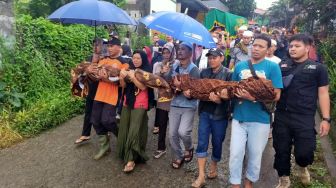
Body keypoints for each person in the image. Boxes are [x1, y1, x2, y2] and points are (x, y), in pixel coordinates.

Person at [273, 34, 330, 188]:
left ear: (307, 48)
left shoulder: (318, 68)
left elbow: (323, 93)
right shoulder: (281, 66)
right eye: (291, 46)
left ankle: (303, 167)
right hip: (282, 115)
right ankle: (284, 178)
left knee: (304, 152)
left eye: (297, 46)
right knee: (281, 149)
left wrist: (326, 119)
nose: (292, 49)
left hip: (304, 116)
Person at [229, 34, 283, 188]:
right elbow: (233, 88)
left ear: (268, 50)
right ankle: (234, 184)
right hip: (239, 117)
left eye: (261, 46)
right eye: (255, 45)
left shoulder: (272, 67)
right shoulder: (240, 66)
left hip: (260, 119)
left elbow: (277, 95)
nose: (256, 48)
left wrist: (252, 97)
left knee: (255, 155)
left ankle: (248, 182)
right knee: (235, 154)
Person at [191, 48, 231, 188]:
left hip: (220, 115)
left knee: (217, 142)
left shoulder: (228, 74)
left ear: (221, 58)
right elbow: (198, 90)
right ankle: (201, 175)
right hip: (204, 113)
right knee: (202, 141)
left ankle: (214, 165)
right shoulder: (204, 72)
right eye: (210, 57)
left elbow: (230, 96)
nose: (211, 60)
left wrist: (220, 100)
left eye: (214, 57)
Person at [90, 38, 129, 160]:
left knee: (108, 121)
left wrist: (106, 78)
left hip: (113, 96)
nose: (109, 48)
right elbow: (95, 76)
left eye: (112, 46)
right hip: (99, 95)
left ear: (119, 47)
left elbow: (122, 83)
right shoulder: (103, 59)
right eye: (108, 46)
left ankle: (122, 138)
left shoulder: (124, 62)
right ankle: (105, 146)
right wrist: (93, 71)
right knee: (95, 120)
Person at [117, 50, 153, 173]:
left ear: (143, 59)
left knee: (134, 130)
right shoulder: (129, 69)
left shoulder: (146, 72)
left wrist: (132, 77)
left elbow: (143, 87)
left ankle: (131, 159)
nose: (135, 60)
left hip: (141, 103)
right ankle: (126, 154)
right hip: (128, 101)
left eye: (138, 58)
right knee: (125, 128)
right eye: (134, 58)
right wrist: (122, 78)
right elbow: (123, 87)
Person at [165, 42, 200, 169]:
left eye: (183, 49)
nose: (179, 51)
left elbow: (196, 92)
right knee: (172, 134)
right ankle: (178, 156)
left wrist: (181, 87)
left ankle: (189, 147)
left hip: (188, 106)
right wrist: (167, 71)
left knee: (183, 132)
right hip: (174, 104)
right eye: (178, 49)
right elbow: (167, 81)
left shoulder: (194, 69)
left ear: (190, 53)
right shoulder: (174, 65)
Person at [74, 38, 103, 144]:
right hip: (91, 88)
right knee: (88, 112)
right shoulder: (88, 58)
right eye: (94, 45)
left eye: (98, 45)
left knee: (100, 113)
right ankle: (85, 134)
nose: (96, 47)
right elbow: (81, 72)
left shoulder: (105, 59)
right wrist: (86, 71)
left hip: (102, 89)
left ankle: (104, 134)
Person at [152, 44, 178, 159]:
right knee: (162, 123)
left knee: (174, 126)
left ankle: (177, 149)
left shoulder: (177, 64)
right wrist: (162, 72)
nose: (166, 55)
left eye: (168, 52)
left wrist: (172, 70)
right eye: (164, 53)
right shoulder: (158, 65)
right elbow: (154, 80)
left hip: (175, 99)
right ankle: (161, 147)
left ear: (173, 53)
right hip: (162, 98)